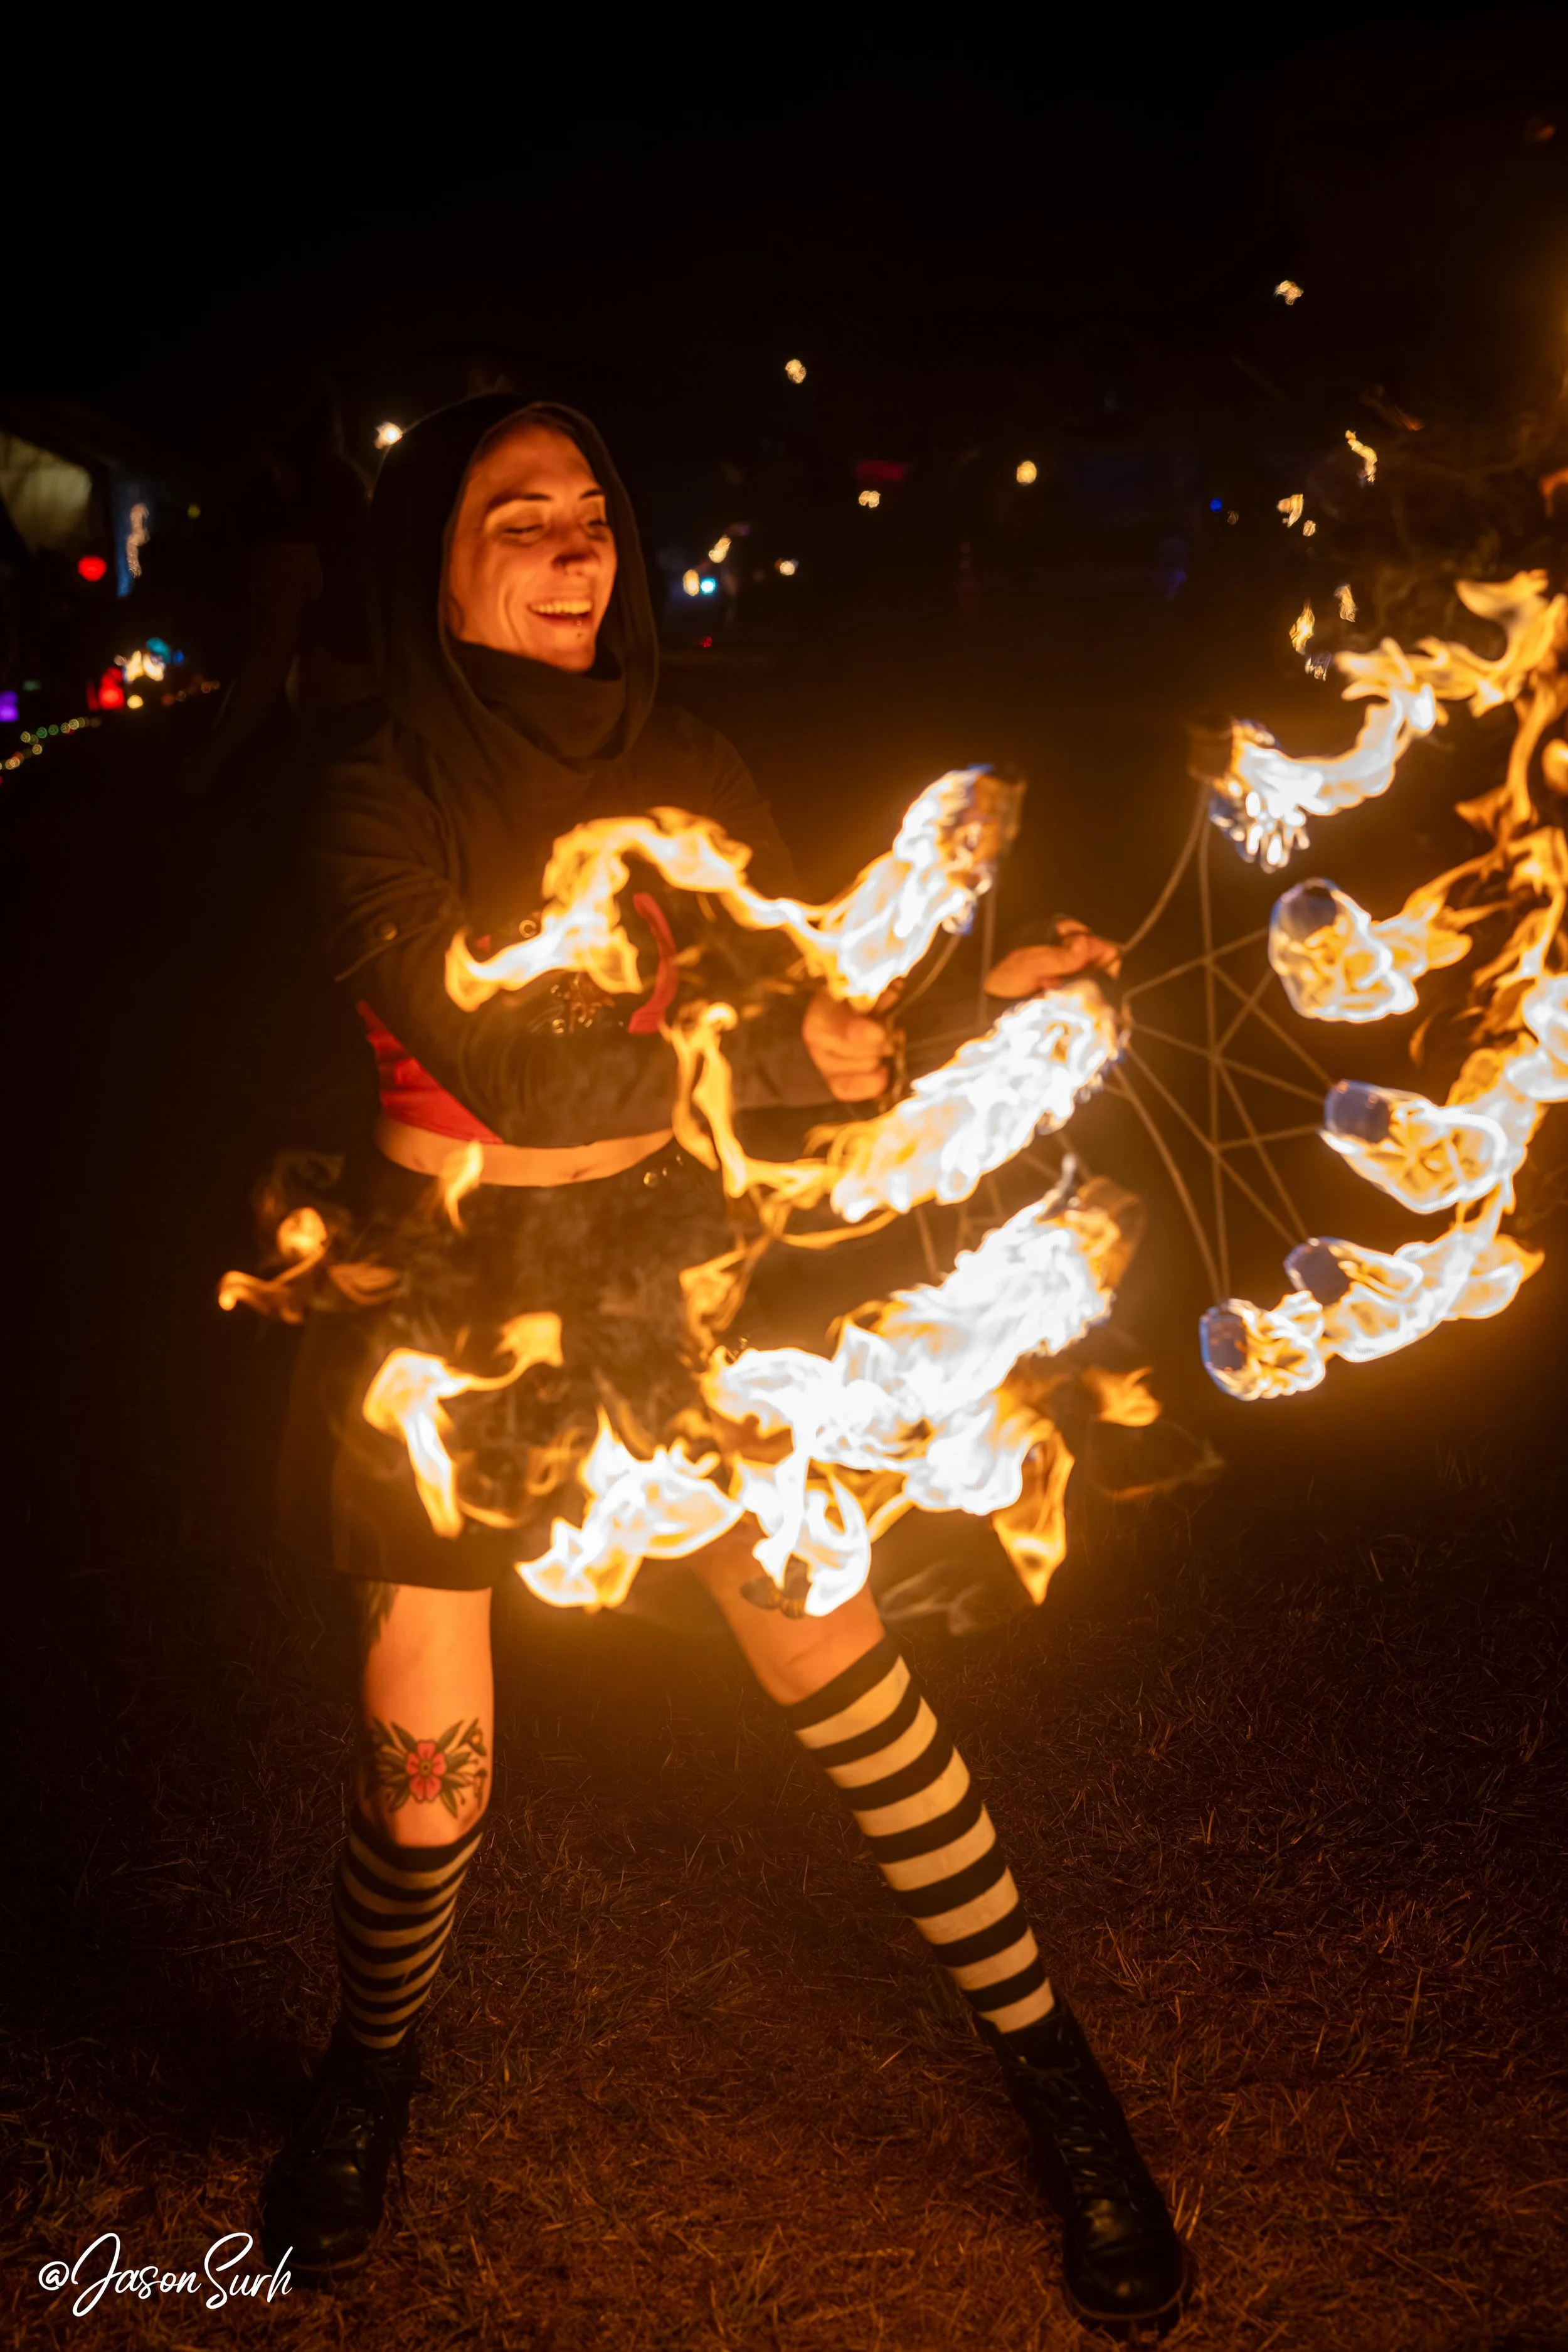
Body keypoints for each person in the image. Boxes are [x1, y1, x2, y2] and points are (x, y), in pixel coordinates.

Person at [258, 396, 1186, 2333]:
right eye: (517, 516)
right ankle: (370, 2068)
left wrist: (964, 1011)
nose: (572, 544)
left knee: (842, 1665)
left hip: (670, 1273)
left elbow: (794, 1011)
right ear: (432, 561)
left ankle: (1057, 2080)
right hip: (444, 1293)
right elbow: (508, 1057)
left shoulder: (691, 761)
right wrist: (780, 1060)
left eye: (591, 507)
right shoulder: (373, 784)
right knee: (430, 1786)